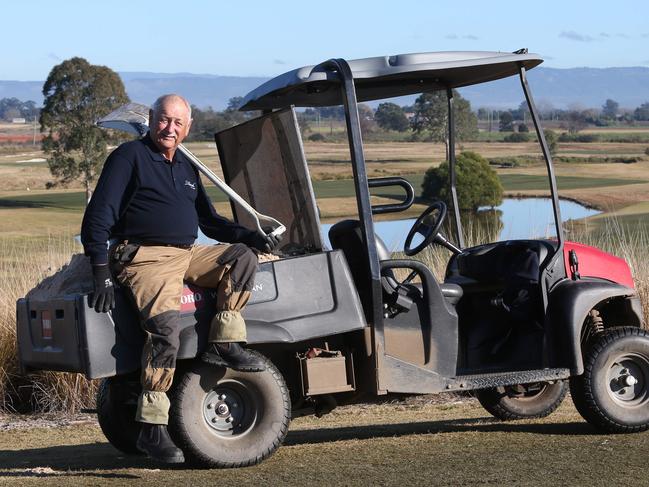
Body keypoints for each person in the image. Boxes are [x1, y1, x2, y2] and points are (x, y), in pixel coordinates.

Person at [81, 94, 280, 464]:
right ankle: (152, 429)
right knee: (166, 332)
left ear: (187, 128)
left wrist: (249, 236)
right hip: (145, 258)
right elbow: (97, 218)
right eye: (163, 120)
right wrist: (100, 272)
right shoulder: (128, 158)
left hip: (186, 253)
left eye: (177, 123)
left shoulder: (187, 167)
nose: (169, 128)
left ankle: (224, 342)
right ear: (152, 120)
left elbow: (209, 221)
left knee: (241, 259)